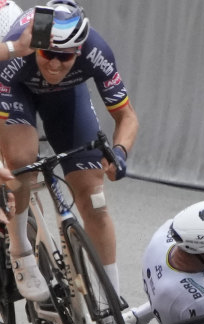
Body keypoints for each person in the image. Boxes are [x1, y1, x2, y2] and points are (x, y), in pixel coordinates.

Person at [0, 0, 136, 302]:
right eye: (48, 53)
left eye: (65, 57)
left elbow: (127, 117)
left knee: (95, 201)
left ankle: (111, 305)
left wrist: (120, 151)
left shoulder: (96, 51)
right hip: (17, 91)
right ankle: (20, 247)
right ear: (37, 46)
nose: (55, 64)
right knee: (22, 160)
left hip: (65, 98)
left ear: (79, 51)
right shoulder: (16, 50)